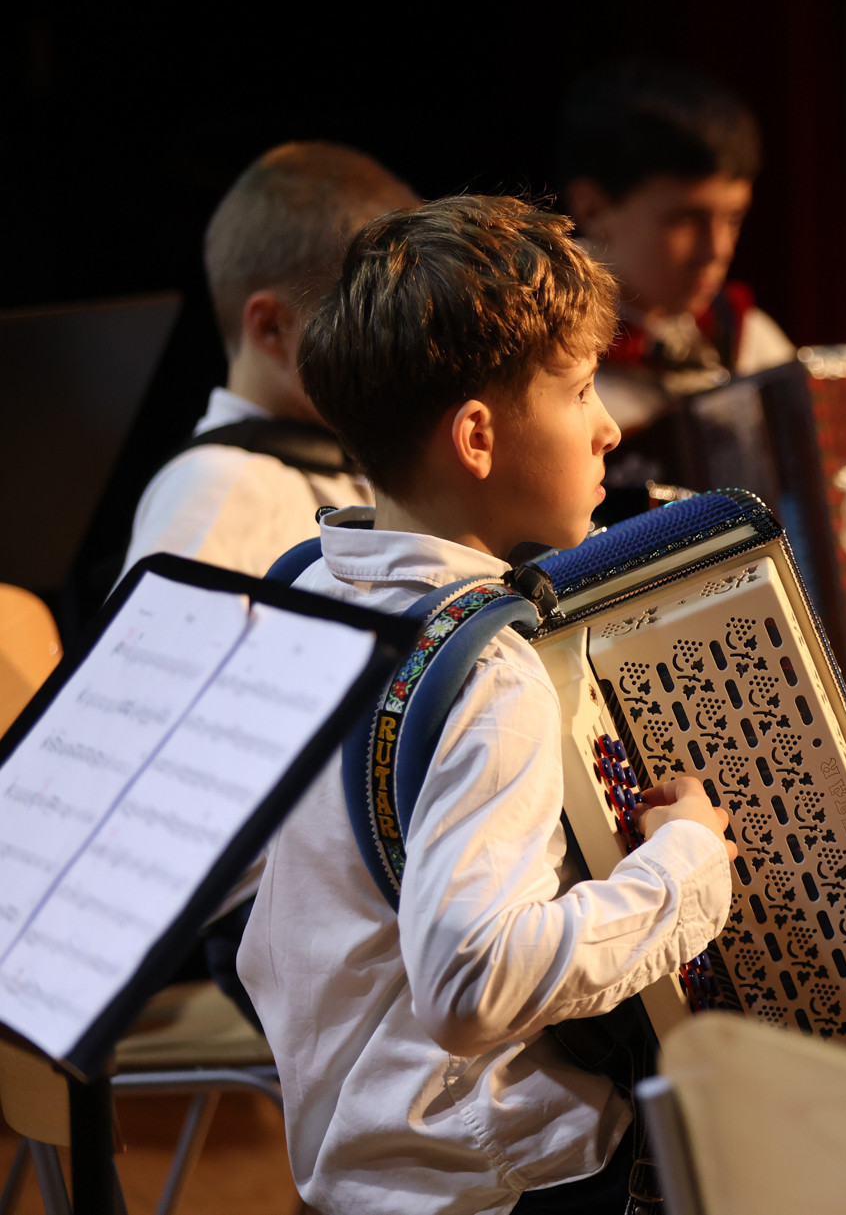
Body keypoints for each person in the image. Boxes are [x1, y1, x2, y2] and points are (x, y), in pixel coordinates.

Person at [237, 194, 736, 1214]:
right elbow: (471, 984)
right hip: (509, 1175)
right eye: (582, 390)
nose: (608, 429)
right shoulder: (490, 672)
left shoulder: (308, 590)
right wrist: (685, 868)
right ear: (476, 436)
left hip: (358, 1153)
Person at [122, 141, 418, 578]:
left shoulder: (363, 465)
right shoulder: (219, 486)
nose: (401, 346)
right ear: (271, 327)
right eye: (370, 318)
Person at [556, 60, 793, 488]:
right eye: (685, 220)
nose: (718, 250)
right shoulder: (542, 354)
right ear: (592, 208)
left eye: (734, 218)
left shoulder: (751, 342)